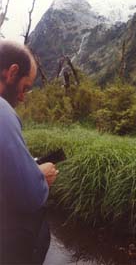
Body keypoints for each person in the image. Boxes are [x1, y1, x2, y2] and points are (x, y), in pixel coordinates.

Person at [0, 40, 58, 264]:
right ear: (12, 72)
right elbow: (29, 196)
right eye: (25, 87)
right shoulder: (2, 111)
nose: (23, 97)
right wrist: (41, 175)